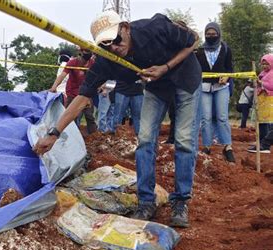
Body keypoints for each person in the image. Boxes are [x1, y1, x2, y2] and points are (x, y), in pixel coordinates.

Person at [35, 11, 202, 228]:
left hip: (185, 79)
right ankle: (145, 201)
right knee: (144, 141)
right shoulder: (106, 60)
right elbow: (81, 98)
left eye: (116, 39)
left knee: (184, 140)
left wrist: (165, 67)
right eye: (105, 44)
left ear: (125, 27)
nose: (113, 47)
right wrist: (53, 134)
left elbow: (193, 41)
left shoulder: (155, 28)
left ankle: (180, 202)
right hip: (156, 88)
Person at [196, 22, 235, 162]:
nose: (211, 36)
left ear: (218, 34)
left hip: (221, 87)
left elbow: (230, 68)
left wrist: (227, 76)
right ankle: (207, 146)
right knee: (205, 118)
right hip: (205, 87)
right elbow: (197, 70)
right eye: (208, 34)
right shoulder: (199, 51)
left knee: (222, 117)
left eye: (213, 34)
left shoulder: (225, 49)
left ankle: (227, 147)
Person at [49, 47, 97, 134]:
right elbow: (62, 75)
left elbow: (97, 76)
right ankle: (68, 135)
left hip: (86, 93)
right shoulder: (72, 62)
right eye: (86, 51)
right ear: (81, 52)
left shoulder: (92, 63)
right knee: (70, 116)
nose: (89, 53)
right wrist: (54, 87)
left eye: (90, 51)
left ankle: (94, 136)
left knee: (89, 116)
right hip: (72, 93)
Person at [247, 54, 273, 154]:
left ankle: (265, 144)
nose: (264, 66)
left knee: (269, 123)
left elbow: (271, 85)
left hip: (270, 102)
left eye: (267, 64)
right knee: (262, 122)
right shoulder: (262, 73)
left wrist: (261, 83)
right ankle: (262, 143)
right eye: (263, 64)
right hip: (262, 102)